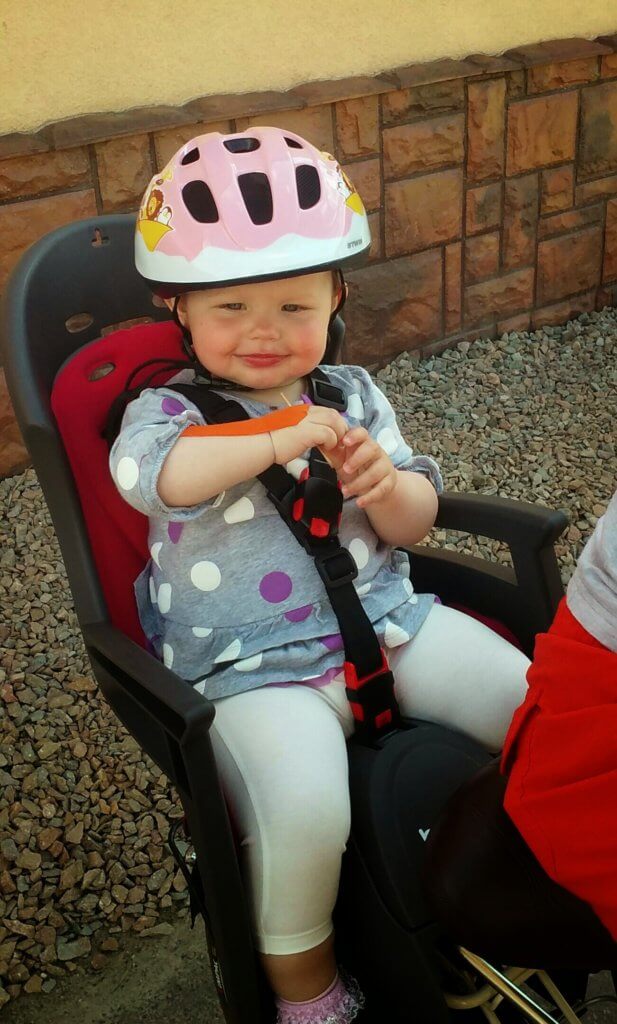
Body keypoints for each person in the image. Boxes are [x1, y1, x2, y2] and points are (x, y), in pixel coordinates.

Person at [110, 127, 530, 1024]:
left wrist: (387, 487)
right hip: (251, 669)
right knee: (304, 812)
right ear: (177, 309)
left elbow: (414, 521)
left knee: (531, 703)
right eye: (231, 308)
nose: (263, 331)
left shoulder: (349, 394)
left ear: (336, 297)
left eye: (293, 306)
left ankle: (550, 865)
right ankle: (306, 992)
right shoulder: (168, 411)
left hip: (384, 622)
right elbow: (156, 479)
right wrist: (272, 434)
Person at [502, 487, 617, 942]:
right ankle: (310, 975)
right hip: (283, 677)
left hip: (393, 617)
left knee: (506, 699)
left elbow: (412, 516)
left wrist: (388, 487)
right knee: (314, 814)